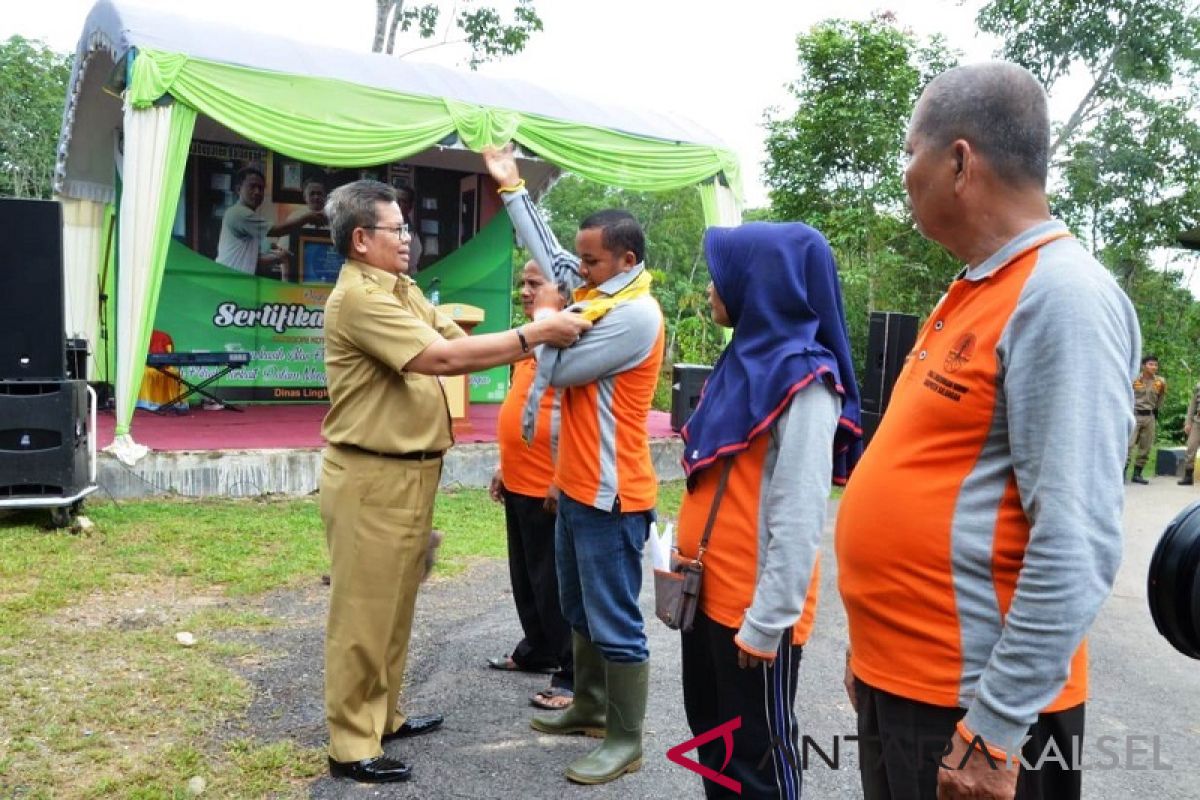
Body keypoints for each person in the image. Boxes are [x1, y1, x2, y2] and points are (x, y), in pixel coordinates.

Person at [836, 62, 1139, 800]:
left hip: (974, 710)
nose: (905, 174)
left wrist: (997, 728)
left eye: (911, 153)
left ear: (960, 161)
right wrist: (874, 649)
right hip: (910, 684)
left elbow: (1077, 540)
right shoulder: (977, 285)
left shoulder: (1061, 297)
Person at [319, 179, 590, 785]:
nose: (408, 240)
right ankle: (351, 742)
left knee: (395, 606)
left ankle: (383, 715)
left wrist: (533, 341)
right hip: (372, 473)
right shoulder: (361, 299)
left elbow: (455, 342)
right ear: (362, 239)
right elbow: (438, 361)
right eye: (397, 231)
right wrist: (537, 335)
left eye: (407, 229)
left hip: (409, 472)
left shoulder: (399, 289)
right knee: (364, 611)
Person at [483, 144, 665, 786]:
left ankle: (625, 737)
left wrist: (543, 319)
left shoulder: (632, 315)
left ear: (626, 260)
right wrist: (510, 188)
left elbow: (553, 366)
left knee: (615, 619)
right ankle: (588, 706)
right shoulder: (592, 293)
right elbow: (550, 248)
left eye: (590, 260)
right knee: (579, 609)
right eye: (580, 259)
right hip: (575, 486)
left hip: (613, 496)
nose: (575, 268)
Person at [676, 222, 862, 799]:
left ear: (761, 282)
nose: (712, 288)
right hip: (705, 594)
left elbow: (801, 513)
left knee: (759, 760)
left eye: (721, 276)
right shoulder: (744, 360)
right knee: (713, 740)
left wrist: (767, 622)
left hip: (751, 613)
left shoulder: (806, 381)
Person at [487, 260, 575, 711]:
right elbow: (525, 405)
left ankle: (570, 673)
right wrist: (506, 465)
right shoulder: (533, 341)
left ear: (564, 294)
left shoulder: (572, 343)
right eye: (522, 282)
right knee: (526, 577)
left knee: (554, 584)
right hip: (520, 477)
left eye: (535, 284)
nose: (525, 291)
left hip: (549, 485)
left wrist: (562, 479)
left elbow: (576, 419)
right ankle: (537, 648)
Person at [216, 166, 323, 279]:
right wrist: (307, 219)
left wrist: (278, 256)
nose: (257, 192)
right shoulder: (239, 213)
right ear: (238, 189)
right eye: (252, 187)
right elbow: (275, 231)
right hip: (230, 281)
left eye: (261, 188)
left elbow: (253, 261)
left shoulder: (246, 215)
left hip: (238, 281)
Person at [1126, 355, 1166, 484]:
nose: (1153, 367)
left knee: (1146, 447)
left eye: (1155, 365)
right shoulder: (1134, 379)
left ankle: (1137, 474)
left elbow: (1160, 398)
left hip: (1149, 416)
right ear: (1144, 366)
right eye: (1150, 364)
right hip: (1134, 415)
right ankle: (1122, 472)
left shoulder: (1160, 382)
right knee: (1128, 445)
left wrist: (1156, 411)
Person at [395, 183, 423, 273]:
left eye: (402, 201)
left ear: (410, 206)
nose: (397, 204)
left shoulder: (405, 228)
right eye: (395, 200)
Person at [1179, 378, 1200, 485]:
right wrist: (1188, 422)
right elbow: (1192, 406)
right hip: (1198, 422)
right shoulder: (1199, 385)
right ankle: (1188, 476)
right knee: (1191, 447)